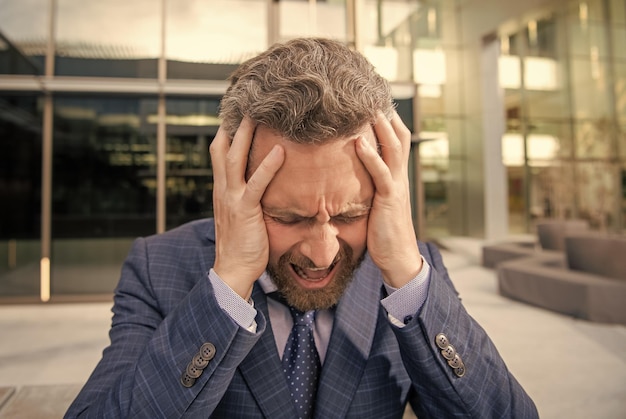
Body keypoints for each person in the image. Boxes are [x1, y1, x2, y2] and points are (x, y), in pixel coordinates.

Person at [65, 38, 538, 418]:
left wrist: (407, 275)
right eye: (289, 217)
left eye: (350, 214)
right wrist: (228, 282)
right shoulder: (158, 266)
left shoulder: (410, 272)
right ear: (234, 183)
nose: (322, 252)